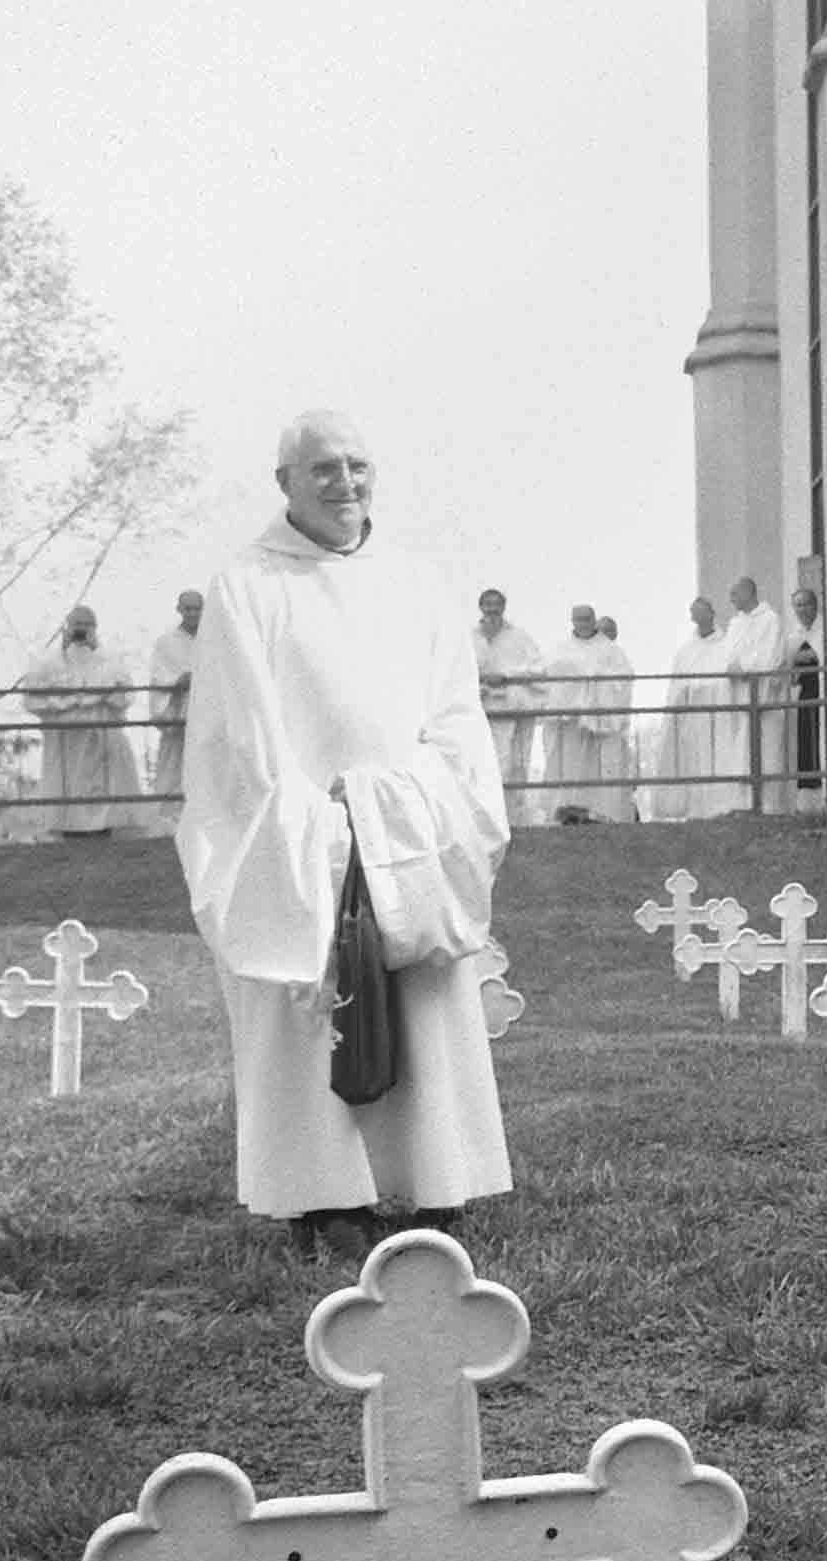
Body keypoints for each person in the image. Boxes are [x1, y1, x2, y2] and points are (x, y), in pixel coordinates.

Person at [176, 411, 512, 1260]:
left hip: (412, 829)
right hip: (298, 836)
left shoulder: (418, 583)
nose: (345, 483)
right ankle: (326, 1199)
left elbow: (457, 719)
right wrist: (324, 828)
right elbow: (239, 737)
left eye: (358, 465)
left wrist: (407, 807)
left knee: (426, 1000)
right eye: (322, 468)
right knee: (307, 1000)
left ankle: (435, 1183)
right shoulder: (246, 586)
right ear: (283, 482)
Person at [19, 605, 142, 837]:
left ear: (95, 628)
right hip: (66, 738)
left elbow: (125, 695)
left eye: (87, 625)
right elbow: (31, 698)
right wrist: (63, 703)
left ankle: (103, 829)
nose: (82, 630)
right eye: (77, 625)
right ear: (67, 626)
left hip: (100, 734)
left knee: (103, 786)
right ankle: (70, 831)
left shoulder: (110, 659)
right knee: (69, 789)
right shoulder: (48, 660)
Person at [644, 594, 737, 820]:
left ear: (712, 614)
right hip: (692, 716)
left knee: (718, 759)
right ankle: (696, 810)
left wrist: (706, 689)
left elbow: (726, 679)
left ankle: (720, 807)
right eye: (695, 614)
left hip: (717, 713)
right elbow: (677, 683)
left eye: (702, 613)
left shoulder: (727, 645)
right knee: (694, 761)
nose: (699, 618)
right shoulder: (686, 650)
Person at [541, 604, 633, 823]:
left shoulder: (610, 650)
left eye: (587, 619)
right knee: (570, 767)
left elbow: (624, 678)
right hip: (570, 722)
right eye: (578, 619)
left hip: (600, 722)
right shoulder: (560, 650)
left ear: (594, 620)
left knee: (603, 767)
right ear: (572, 621)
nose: (583, 624)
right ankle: (569, 812)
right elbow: (549, 679)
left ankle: (602, 814)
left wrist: (595, 687)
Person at [471, 588, 545, 826]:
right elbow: (457, 672)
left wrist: (507, 676)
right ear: (480, 607)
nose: (492, 609)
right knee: (481, 764)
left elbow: (538, 668)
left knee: (513, 763)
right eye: (487, 604)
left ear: (504, 607)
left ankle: (512, 820)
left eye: (497, 604)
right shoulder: (470, 638)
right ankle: (484, 821)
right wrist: (481, 680)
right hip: (479, 709)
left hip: (512, 707)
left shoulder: (519, 637)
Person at [720, 574, 785, 810]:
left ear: (749, 592)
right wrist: (731, 667)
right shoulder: (735, 624)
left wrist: (744, 666)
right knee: (742, 751)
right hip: (740, 693)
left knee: (765, 751)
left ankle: (767, 806)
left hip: (763, 695)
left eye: (735, 594)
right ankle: (744, 804)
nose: (731, 599)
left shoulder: (770, 620)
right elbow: (727, 655)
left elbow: (770, 656)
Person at [144, 589, 203, 804]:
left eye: (197, 608)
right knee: (174, 764)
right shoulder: (165, 642)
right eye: (188, 608)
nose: (193, 613)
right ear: (179, 610)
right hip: (179, 709)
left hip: (207, 710)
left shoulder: (214, 641)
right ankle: (169, 818)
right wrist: (178, 681)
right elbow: (159, 676)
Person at [785, 584, 825, 810]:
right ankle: (807, 800)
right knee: (805, 743)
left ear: (815, 605)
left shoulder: (824, 632)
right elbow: (787, 670)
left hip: (821, 693)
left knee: (821, 740)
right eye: (797, 605)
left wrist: (813, 655)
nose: (802, 609)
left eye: (806, 604)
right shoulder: (793, 637)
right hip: (803, 696)